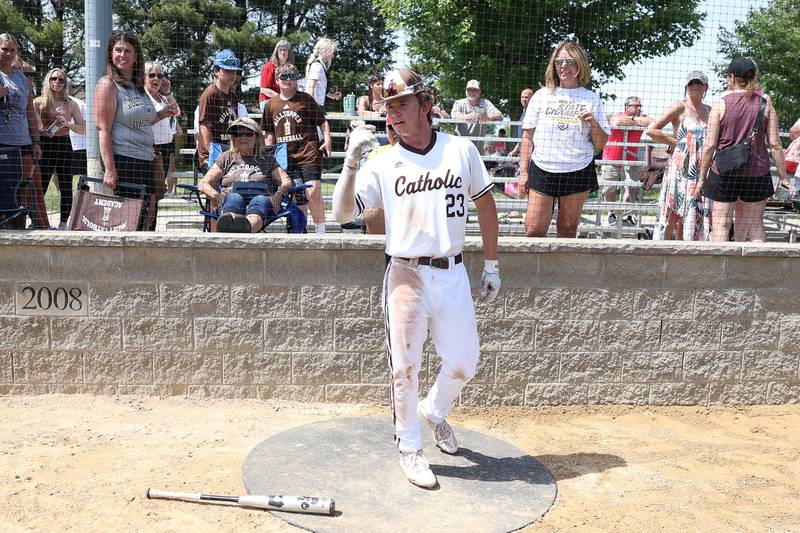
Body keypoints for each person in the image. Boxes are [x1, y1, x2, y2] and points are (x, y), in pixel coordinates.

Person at [331, 69, 500, 489]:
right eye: (388, 107)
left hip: (453, 269)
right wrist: (351, 162)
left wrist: (492, 263)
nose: (393, 114)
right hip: (405, 271)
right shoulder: (382, 161)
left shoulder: (460, 149)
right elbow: (340, 215)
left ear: (425, 105)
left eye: (401, 104)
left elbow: (486, 206)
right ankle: (409, 446)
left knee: (464, 362)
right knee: (404, 367)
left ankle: (435, 411)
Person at [517, 41, 610, 238]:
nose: (564, 66)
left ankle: (562, 270)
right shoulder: (541, 96)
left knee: (567, 229)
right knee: (533, 229)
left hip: (578, 168)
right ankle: (536, 270)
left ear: (580, 65)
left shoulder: (592, 98)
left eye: (570, 61)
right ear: (553, 65)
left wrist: (594, 124)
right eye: (559, 61)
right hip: (543, 167)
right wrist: (524, 171)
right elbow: (527, 138)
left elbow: (600, 144)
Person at [697, 57, 790, 242]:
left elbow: (709, 146)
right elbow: (775, 144)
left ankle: (721, 270)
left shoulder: (720, 102)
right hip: (757, 172)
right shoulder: (765, 102)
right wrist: (783, 177)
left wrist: (702, 178)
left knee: (721, 225)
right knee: (755, 225)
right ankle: (756, 271)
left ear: (732, 77)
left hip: (724, 172)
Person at [93, 31, 178, 230]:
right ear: (110, 54)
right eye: (118, 50)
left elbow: (145, 120)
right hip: (123, 159)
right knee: (127, 219)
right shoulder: (108, 84)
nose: (122, 55)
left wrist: (162, 114)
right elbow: (103, 129)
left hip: (146, 159)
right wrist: (110, 170)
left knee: (147, 215)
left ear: (136, 55)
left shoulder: (138, 87)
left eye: (127, 50)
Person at [262, 63, 331, 234]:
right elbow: (269, 133)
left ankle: (321, 233)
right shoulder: (270, 105)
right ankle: (300, 232)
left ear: (297, 79)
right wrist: (268, 154)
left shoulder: (305, 99)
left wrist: (327, 139)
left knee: (313, 190)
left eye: (292, 76)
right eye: (283, 76)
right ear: (277, 80)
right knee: (295, 197)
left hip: (308, 152)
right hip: (285, 156)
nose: (288, 80)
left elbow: (322, 121)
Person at [646, 72, 711, 240]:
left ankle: (685, 250)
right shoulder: (679, 107)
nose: (695, 86)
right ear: (686, 87)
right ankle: (663, 248)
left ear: (706, 87)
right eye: (692, 83)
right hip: (681, 167)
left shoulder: (710, 110)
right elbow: (652, 129)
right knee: (673, 209)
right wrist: (676, 142)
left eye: (699, 83)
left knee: (692, 211)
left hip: (702, 167)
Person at [198, 117, 291, 233]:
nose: (242, 138)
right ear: (233, 138)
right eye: (237, 134)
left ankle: (244, 229)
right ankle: (230, 225)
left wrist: (278, 195)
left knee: (260, 200)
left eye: (248, 134)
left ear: (257, 136)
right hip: (230, 198)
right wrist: (217, 196)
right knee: (234, 198)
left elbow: (286, 181)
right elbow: (203, 183)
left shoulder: (267, 159)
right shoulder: (226, 157)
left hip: (262, 200)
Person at [0, 33, 48, 229]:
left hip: (23, 141)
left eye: (12, 49)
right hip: (2, 142)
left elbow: (30, 111)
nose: (9, 53)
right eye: (4, 49)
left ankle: (20, 227)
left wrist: (36, 141)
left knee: (24, 187)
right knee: (3, 187)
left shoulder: (22, 78)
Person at [34, 68, 85, 229]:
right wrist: (41, 131)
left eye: (61, 80)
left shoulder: (71, 103)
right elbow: (31, 126)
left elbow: (82, 128)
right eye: (54, 79)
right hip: (44, 144)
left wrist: (67, 123)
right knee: (41, 184)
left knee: (65, 184)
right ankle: (39, 221)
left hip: (64, 144)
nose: (57, 82)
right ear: (48, 81)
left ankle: (63, 223)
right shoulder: (39, 102)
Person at [601, 96, 653, 226]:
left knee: (630, 187)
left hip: (631, 157)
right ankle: (611, 214)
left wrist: (632, 120)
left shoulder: (643, 116)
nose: (638, 109)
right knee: (609, 188)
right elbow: (617, 122)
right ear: (626, 107)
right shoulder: (618, 115)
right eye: (635, 106)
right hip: (612, 157)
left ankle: (627, 215)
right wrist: (637, 121)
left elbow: (652, 122)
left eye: (640, 106)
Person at [197, 49, 241, 173]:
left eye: (234, 71)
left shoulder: (233, 97)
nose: (232, 74)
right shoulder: (210, 94)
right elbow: (204, 126)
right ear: (216, 70)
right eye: (227, 70)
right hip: (212, 156)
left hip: (229, 154)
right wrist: (213, 155)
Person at [144, 61, 181, 198]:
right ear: (144, 77)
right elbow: (142, 122)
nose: (156, 79)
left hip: (165, 148)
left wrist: (167, 92)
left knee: (159, 190)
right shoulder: (142, 97)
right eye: (152, 75)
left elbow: (176, 112)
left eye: (160, 76)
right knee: (151, 190)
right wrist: (161, 115)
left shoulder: (162, 98)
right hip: (151, 149)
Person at [450, 79, 502, 154]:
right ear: (465, 91)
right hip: (460, 147)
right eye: (469, 89)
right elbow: (453, 114)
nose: (472, 92)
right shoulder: (458, 103)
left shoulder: (486, 103)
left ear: (480, 91)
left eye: (475, 90)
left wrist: (487, 117)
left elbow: (499, 115)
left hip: (477, 149)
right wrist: (465, 116)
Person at [304, 37, 342, 108]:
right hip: (313, 105)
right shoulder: (317, 65)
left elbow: (321, 89)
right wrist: (311, 106)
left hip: (317, 105)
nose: (333, 56)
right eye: (332, 52)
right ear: (326, 51)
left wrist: (333, 96)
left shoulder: (321, 66)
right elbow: (311, 87)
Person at [259, 40, 293, 113]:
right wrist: (282, 99)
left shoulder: (290, 68)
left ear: (289, 53)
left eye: (285, 50)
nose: (283, 52)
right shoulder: (269, 66)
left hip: (284, 101)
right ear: (276, 52)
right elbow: (263, 90)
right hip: (267, 101)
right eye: (281, 50)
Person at [508, 87, 533, 158]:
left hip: (530, 154)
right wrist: (514, 151)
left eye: (526, 97)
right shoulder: (523, 113)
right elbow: (522, 137)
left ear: (532, 99)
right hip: (522, 153)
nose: (524, 99)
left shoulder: (534, 114)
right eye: (522, 97)